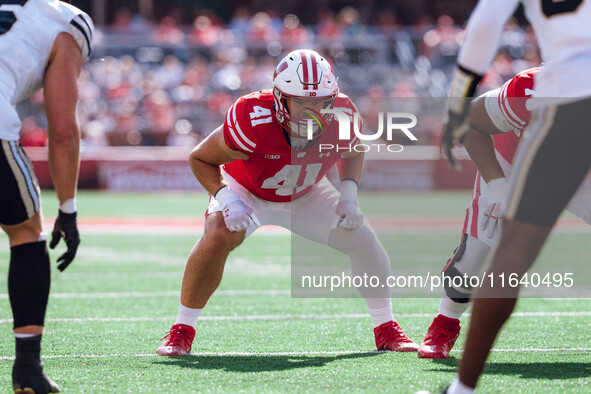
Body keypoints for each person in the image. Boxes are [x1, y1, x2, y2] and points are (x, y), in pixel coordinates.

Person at [157, 49, 418, 356]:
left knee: (364, 241)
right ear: (280, 99)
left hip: (305, 191)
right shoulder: (251, 114)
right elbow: (199, 157)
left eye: (321, 101)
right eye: (303, 102)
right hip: (247, 188)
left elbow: (353, 149)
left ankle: (386, 328)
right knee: (217, 235)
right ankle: (181, 330)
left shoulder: (343, 112)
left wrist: (348, 194)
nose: (314, 110)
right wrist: (226, 197)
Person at [440, 0, 591, 392]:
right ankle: (446, 321)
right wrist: (496, 186)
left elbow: (486, 23)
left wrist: (456, 101)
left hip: (568, 107)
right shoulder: (527, 86)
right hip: (538, 133)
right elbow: (477, 124)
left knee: (513, 253)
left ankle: (462, 389)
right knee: (480, 260)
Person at [420, 67, 591, 359]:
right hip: (514, 162)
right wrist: (497, 187)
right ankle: (445, 322)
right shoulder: (534, 87)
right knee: (475, 256)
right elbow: (469, 122)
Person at [0, 1, 93, 392]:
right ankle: (27, 370)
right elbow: (63, 131)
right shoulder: (63, 22)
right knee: (25, 233)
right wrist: (67, 210)